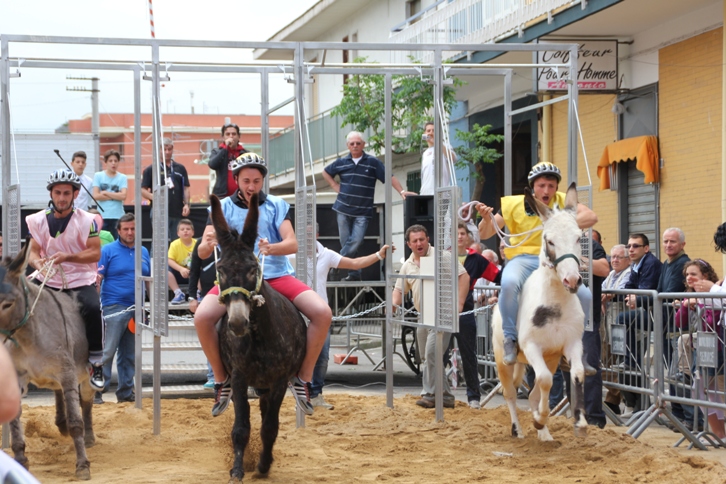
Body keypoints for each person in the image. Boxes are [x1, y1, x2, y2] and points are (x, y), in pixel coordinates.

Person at [194, 152, 332, 417]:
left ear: (263, 181)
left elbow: (292, 243)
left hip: (276, 276)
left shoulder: (277, 204)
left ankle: (303, 379)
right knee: (201, 318)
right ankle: (222, 380)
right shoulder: (223, 207)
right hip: (236, 281)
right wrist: (207, 244)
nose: (251, 186)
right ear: (236, 180)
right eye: (246, 181)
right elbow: (201, 252)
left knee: (323, 313)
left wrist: (273, 248)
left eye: (256, 181)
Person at [475, 162, 598, 366]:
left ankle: (576, 347)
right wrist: (486, 219)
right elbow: (485, 233)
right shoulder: (513, 204)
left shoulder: (562, 202)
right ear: (533, 186)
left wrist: (559, 223)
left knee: (585, 295)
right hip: (523, 259)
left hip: (553, 261)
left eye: (551, 186)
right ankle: (509, 338)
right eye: (541, 185)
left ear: (556, 187)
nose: (546, 191)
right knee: (509, 283)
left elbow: (591, 216)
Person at [26, 169, 105, 392]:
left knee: (93, 308)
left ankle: (96, 362)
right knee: (16, 302)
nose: (62, 198)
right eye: (58, 193)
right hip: (48, 278)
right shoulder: (37, 220)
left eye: (66, 193)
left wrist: (67, 257)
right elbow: (33, 251)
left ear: (75, 194)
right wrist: (37, 263)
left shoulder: (88, 220)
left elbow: (95, 253)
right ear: (51, 194)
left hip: (79, 279)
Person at [310, 223, 393, 410]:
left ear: (317, 234)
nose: (307, 236)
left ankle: (315, 394)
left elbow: (354, 263)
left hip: (320, 314)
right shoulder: (291, 254)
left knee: (322, 357)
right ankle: (303, 394)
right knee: (301, 356)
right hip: (298, 312)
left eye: (310, 232)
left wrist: (379, 255)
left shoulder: (326, 254)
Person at [391, 224, 470, 409]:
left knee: (432, 353)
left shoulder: (442, 256)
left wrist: (459, 304)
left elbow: (464, 276)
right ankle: (446, 396)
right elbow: (399, 290)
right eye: (415, 241)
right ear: (409, 244)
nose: (419, 243)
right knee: (429, 357)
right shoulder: (407, 265)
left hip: (442, 314)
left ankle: (428, 393)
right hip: (423, 316)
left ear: (428, 240)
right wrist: (392, 305)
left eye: (422, 239)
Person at [322, 131, 415, 281]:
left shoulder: (372, 162)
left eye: (358, 143)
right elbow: (325, 172)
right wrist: (334, 186)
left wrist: (402, 191)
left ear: (363, 145)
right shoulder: (341, 162)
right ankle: (354, 274)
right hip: (343, 209)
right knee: (347, 243)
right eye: (352, 143)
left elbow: (388, 176)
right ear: (348, 146)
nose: (355, 146)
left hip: (362, 212)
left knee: (356, 241)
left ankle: (335, 264)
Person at [97, 213, 150, 405]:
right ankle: (96, 392)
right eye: (126, 229)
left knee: (129, 354)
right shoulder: (107, 250)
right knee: (107, 352)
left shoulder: (143, 251)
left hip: (137, 309)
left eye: (133, 228)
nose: (130, 232)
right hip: (113, 307)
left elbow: (148, 280)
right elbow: (98, 278)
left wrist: (150, 306)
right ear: (118, 231)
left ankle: (126, 392)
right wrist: (94, 305)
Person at [674, 259, 724, 438]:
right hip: (702, 347)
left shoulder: (715, 293)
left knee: (710, 390)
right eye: (687, 274)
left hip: (716, 347)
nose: (689, 278)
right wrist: (686, 306)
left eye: (694, 274)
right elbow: (679, 322)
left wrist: (700, 305)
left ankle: (720, 433)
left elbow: (713, 322)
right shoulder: (691, 295)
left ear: (706, 276)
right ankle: (719, 434)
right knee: (703, 390)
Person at [457, 223, 501, 409]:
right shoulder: (442, 257)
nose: (459, 236)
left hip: (466, 310)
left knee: (469, 354)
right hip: (444, 310)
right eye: (456, 234)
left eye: (462, 233)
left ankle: (473, 397)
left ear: (468, 237)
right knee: (438, 353)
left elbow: (498, 276)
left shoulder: (476, 259)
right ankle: (435, 393)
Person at [600, 243, 632, 415]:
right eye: (613, 257)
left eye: (619, 257)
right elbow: (603, 290)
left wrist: (606, 295)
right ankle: (613, 398)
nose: (615, 260)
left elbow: (619, 291)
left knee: (620, 363)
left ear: (628, 259)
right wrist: (604, 296)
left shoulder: (629, 273)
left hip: (624, 325)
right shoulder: (612, 274)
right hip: (609, 323)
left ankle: (625, 399)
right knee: (607, 362)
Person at [186, 230, 219, 391]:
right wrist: (192, 297)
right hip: (208, 294)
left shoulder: (232, 238)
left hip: (231, 292)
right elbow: (194, 271)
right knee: (211, 335)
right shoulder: (201, 243)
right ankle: (213, 375)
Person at [141, 138, 191, 242]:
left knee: (177, 242)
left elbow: (186, 188)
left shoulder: (180, 168)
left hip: (177, 211)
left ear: (173, 150)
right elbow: (142, 190)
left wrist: (187, 204)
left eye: (169, 149)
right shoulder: (151, 169)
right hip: (159, 211)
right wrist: (153, 197)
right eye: (164, 149)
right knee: (159, 242)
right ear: (158, 150)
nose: (167, 152)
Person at [92, 149, 127, 240]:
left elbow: (123, 196)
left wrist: (106, 193)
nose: (113, 163)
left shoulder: (122, 177)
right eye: (110, 161)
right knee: (103, 241)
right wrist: (116, 195)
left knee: (118, 241)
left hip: (118, 216)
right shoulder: (98, 176)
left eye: (115, 161)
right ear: (106, 162)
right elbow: (96, 195)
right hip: (102, 216)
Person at [208, 122, 248, 198]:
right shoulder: (217, 152)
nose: (231, 136)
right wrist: (225, 148)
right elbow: (212, 165)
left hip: (241, 196)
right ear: (223, 137)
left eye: (234, 134)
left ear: (239, 136)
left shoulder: (245, 153)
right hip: (222, 195)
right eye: (227, 134)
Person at [419, 121, 457, 196]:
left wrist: (437, 142)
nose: (431, 133)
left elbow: (453, 158)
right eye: (428, 131)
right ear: (425, 133)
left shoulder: (445, 146)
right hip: (425, 193)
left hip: (441, 193)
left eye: (433, 131)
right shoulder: (425, 153)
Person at [167, 219, 197, 304]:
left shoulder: (197, 243)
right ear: (178, 233)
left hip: (194, 273)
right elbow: (169, 260)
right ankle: (178, 293)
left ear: (193, 232)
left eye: (188, 229)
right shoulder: (174, 244)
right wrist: (181, 269)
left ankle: (198, 292)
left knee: (203, 269)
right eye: (182, 229)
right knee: (165, 270)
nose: (185, 231)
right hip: (179, 273)